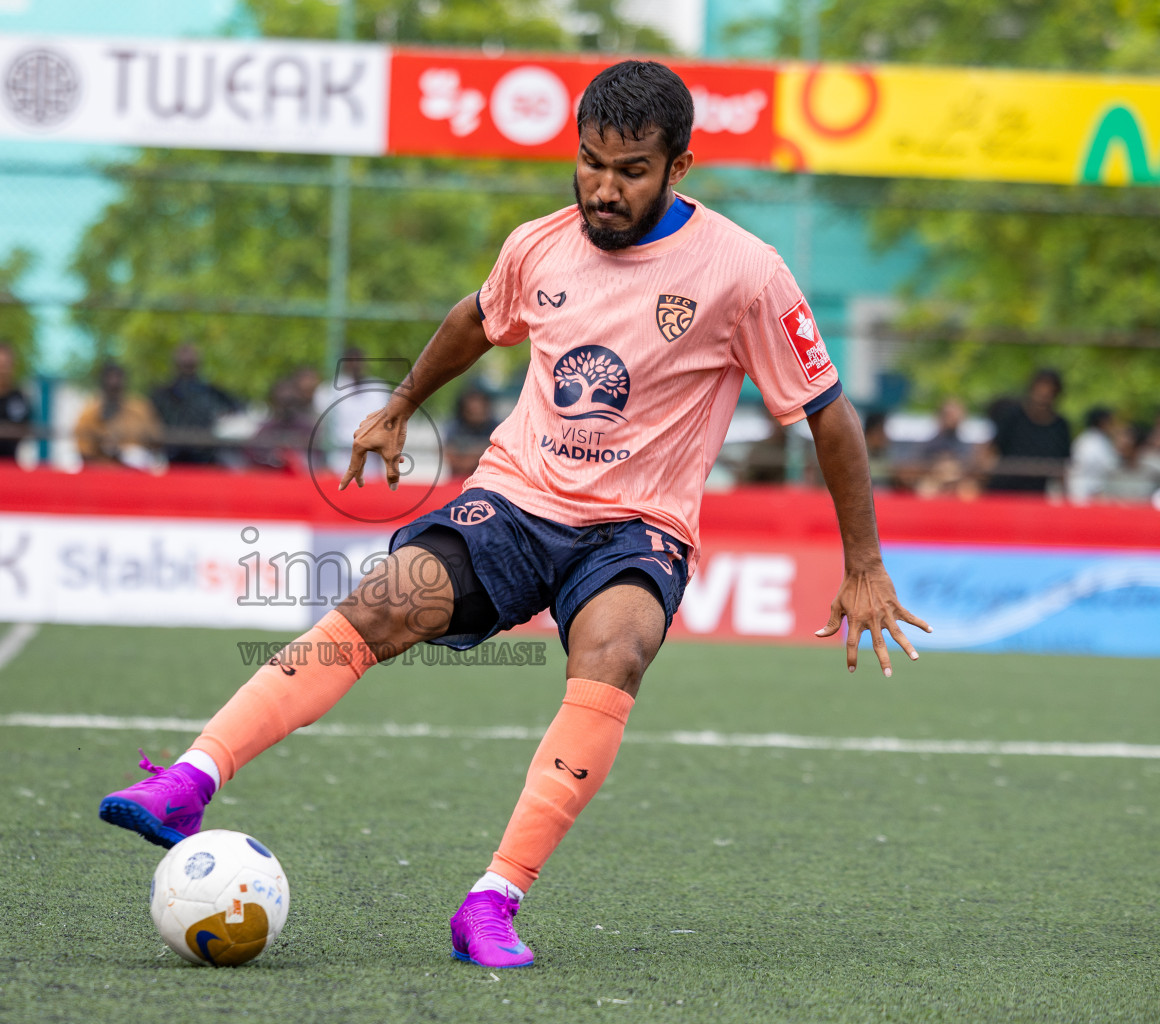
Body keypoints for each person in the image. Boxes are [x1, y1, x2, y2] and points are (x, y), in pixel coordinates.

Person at [96, 61, 928, 970]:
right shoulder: (538, 246)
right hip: (516, 502)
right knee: (381, 603)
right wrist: (402, 404)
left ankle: (492, 900)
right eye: (591, 162)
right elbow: (475, 319)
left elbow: (828, 413)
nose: (604, 189)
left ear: (679, 167)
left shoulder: (746, 271)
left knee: (616, 651)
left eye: (631, 171)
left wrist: (863, 562)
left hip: (637, 529)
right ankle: (191, 779)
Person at [150, 343, 242, 465]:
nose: (187, 364)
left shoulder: (211, 392)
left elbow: (236, 410)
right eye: (184, 363)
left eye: (190, 363)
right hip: (170, 455)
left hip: (205, 455)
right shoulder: (162, 394)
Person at [985, 369, 1071, 495]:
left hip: (1035, 495)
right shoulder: (1011, 416)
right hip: (1003, 491)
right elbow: (991, 452)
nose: (1043, 396)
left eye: (1049, 393)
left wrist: (1066, 496)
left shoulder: (1060, 427)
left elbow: (1061, 467)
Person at [74, 360, 163, 468]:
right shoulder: (89, 414)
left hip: (137, 472)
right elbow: (84, 453)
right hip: (103, 472)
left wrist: (131, 454)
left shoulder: (140, 409)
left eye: (118, 378)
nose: (114, 383)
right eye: (110, 379)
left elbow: (157, 441)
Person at [444, 386, 499, 479]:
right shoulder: (454, 426)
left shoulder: (496, 427)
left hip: (487, 479)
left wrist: (472, 458)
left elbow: (497, 452)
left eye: (479, 408)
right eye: (471, 410)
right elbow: (448, 452)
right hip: (458, 479)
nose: (475, 411)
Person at [1068, 407, 1120, 504]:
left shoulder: (1088, 439)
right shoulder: (1093, 441)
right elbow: (1110, 466)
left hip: (1091, 487)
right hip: (1088, 488)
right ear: (1102, 422)